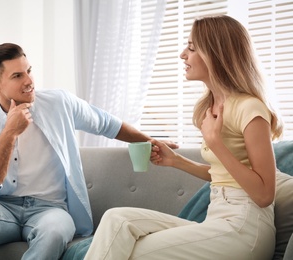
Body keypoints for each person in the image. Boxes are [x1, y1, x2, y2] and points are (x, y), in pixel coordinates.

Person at [0, 43, 178, 260]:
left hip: (50, 210)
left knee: (55, 232)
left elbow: (107, 124)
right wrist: (9, 133)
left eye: (29, 71)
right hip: (2, 209)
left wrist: (150, 141)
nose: (29, 81)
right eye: (17, 76)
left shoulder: (59, 102)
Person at [84, 15, 283, 260]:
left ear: (215, 54)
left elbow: (264, 195)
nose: (182, 54)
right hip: (217, 219)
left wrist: (216, 144)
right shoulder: (212, 107)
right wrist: (176, 161)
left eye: (191, 47)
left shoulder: (250, 109)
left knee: (131, 251)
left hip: (245, 228)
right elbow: (225, 175)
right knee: (117, 220)